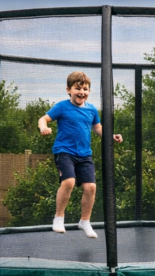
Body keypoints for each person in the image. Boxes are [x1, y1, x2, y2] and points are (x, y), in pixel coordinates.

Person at [37, 71, 122, 238]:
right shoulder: (62, 106)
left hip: (84, 154)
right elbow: (43, 119)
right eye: (78, 88)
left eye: (85, 89)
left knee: (91, 187)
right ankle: (59, 218)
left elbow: (97, 128)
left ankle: (84, 221)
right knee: (68, 181)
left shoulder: (91, 110)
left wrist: (111, 136)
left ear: (89, 91)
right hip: (64, 151)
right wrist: (43, 128)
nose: (82, 92)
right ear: (68, 90)